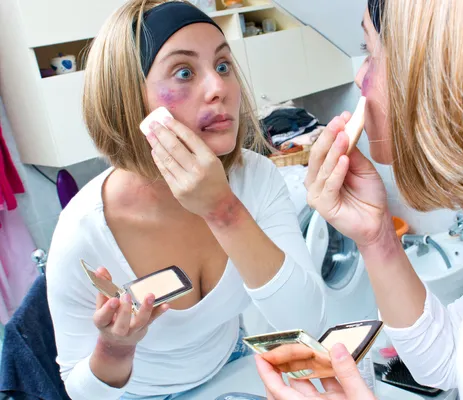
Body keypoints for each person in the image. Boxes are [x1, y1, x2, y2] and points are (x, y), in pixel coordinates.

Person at [257, 0, 463, 399]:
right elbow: (448, 356)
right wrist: (377, 236)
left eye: (370, 52)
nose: (359, 78)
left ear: (439, 80)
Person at [45, 1, 326, 399]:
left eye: (223, 65)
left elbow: (305, 321)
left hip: (232, 364)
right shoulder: (83, 233)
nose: (219, 89)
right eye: (184, 72)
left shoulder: (255, 179)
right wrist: (116, 349)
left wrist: (224, 211)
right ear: (128, 100)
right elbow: (81, 392)